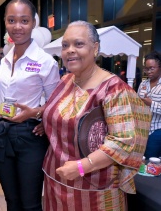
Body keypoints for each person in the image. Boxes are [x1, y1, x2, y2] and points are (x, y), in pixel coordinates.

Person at [39, 21, 150, 210]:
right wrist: (47, 120)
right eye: (65, 45)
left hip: (96, 190)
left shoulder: (114, 89)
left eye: (78, 44)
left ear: (95, 48)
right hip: (56, 182)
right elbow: (61, 114)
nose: (70, 50)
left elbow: (122, 142)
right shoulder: (66, 80)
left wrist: (82, 167)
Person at [0, 0, 59, 211]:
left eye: (24, 20)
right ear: (5, 22)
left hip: (30, 136)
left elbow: (57, 102)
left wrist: (36, 113)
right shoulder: (4, 59)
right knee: (11, 200)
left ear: (33, 24)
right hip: (1, 133)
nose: (17, 26)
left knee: (30, 203)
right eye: (11, 20)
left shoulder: (45, 61)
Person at [137, 51, 161, 158]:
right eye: (146, 69)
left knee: (151, 159)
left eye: (152, 68)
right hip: (142, 129)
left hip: (156, 130)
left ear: (159, 67)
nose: (148, 72)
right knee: (141, 158)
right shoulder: (143, 84)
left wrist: (151, 103)